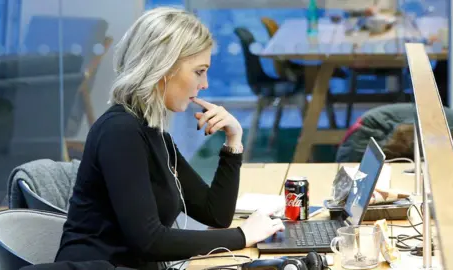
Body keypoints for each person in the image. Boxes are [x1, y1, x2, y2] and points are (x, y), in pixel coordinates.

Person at [54, 7, 284, 270]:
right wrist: (241, 236)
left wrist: (234, 141)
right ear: (164, 67)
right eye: (199, 71)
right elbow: (149, 240)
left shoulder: (152, 130)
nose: (205, 84)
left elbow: (215, 214)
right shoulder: (120, 131)